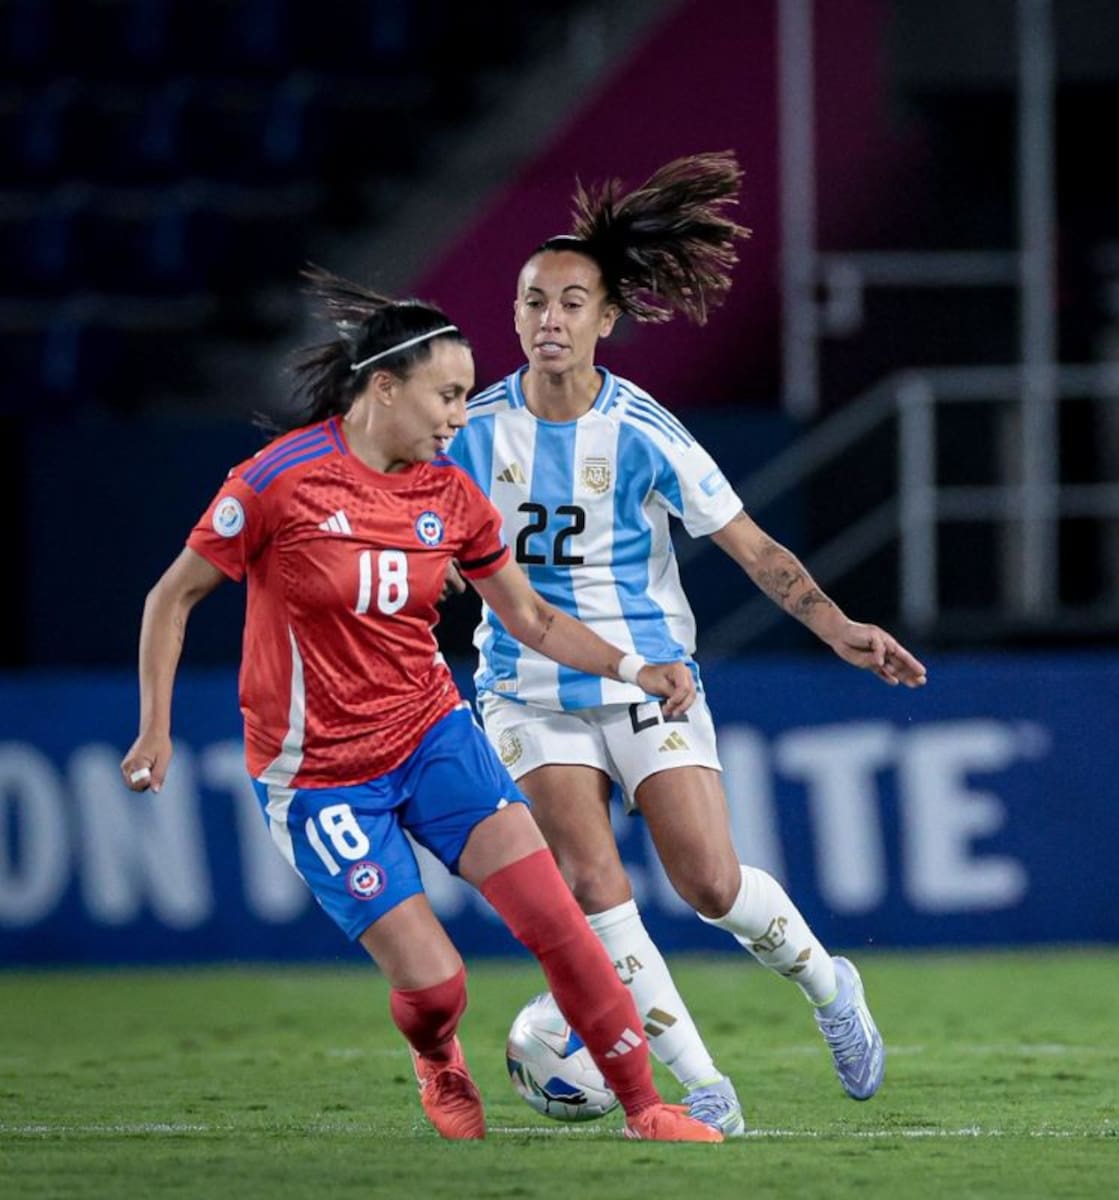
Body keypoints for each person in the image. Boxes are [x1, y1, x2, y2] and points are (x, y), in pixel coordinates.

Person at [120, 269, 722, 1145]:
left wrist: (637, 664)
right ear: (384, 387)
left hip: (433, 738)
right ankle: (438, 1055)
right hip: (318, 777)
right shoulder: (278, 481)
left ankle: (646, 1108)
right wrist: (155, 728)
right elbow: (171, 599)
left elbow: (533, 616)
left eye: (466, 397)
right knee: (438, 987)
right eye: (446, 395)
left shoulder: (450, 494)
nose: (457, 415)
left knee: (558, 921)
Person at [446, 152, 928, 1136]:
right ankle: (701, 1085)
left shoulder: (643, 431)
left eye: (571, 302)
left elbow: (749, 544)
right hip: (527, 694)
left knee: (710, 884)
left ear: (606, 318)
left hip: (649, 685)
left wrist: (837, 626)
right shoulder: (471, 428)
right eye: (532, 299)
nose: (548, 318)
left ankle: (831, 986)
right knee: (593, 886)